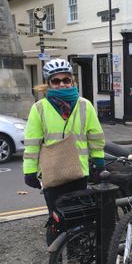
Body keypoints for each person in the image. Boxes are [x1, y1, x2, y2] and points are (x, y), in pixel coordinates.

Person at [23, 58, 105, 246]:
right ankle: (57, 260)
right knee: (57, 220)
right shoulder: (39, 109)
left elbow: (96, 138)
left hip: (79, 173)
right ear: (48, 84)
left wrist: (99, 164)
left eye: (66, 80)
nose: (62, 84)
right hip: (53, 175)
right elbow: (32, 144)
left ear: (73, 81)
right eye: (56, 81)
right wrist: (29, 171)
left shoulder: (85, 105)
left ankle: (76, 263)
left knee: (79, 219)